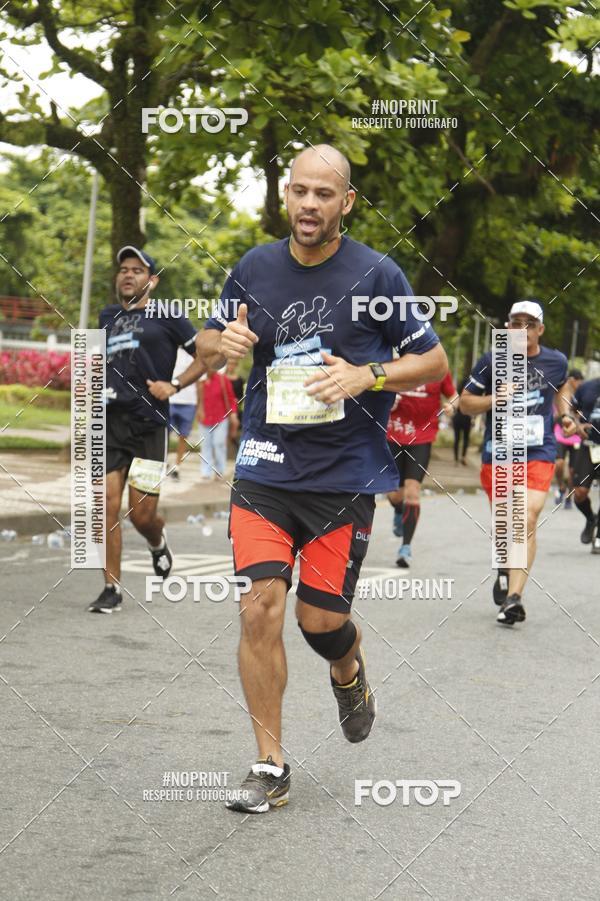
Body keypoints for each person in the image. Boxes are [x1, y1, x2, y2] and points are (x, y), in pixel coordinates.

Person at [198, 143, 448, 814]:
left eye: (323, 194)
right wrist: (221, 346)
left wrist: (366, 374)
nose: (309, 204)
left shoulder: (377, 274)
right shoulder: (254, 266)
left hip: (343, 474)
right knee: (260, 607)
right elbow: (207, 341)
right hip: (265, 468)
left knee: (319, 620)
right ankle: (269, 763)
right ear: (287, 195)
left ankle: (347, 666)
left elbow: (432, 360)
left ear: (346, 202)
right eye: (300, 191)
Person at [88, 245, 205, 614]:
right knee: (105, 505)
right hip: (111, 423)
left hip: (150, 425)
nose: (127, 274)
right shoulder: (106, 316)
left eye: (137, 270)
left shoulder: (169, 315)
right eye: (123, 269)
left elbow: (205, 354)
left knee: (140, 515)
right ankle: (112, 589)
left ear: (151, 281)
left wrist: (175, 385)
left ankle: (157, 541)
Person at [460, 300, 572, 625]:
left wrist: (563, 415)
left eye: (528, 323)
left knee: (526, 516)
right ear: (507, 327)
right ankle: (504, 566)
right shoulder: (491, 361)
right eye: (515, 322)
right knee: (506, 523)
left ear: (540, 330)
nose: (520, 328)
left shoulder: (556, 361)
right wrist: (497, 398)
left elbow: (561, 386)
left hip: (538, 451)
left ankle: (514, 598)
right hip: (499, 454)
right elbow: (466, 403)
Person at [386, 372, 457, 567]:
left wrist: (451, 406)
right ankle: (399, 510)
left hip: (422, 437)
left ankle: (405, 548)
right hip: (393, 434)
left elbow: (454, 395)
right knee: (394, 495)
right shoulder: (399, 365)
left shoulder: (438, 370)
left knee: (412, 491)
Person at [570, 375, 600, 551]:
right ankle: (590, 518)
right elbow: (571, 410)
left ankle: (599, 537)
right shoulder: (587, 387)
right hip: (589, 446)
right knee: (580, 492)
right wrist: (577, 425)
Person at [168, 347, 205, 480]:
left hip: (189, 403)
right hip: (171, 399)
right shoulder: (172, 351)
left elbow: (200, 384)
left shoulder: (197, 355)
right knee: (164, 434)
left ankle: (177, 467)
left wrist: (200, 406)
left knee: (183, 437)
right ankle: (163, 461)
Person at [197, 367, 239, 481]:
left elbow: (231, 398)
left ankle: (219, 471)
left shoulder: (222, 379)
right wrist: (198, 410)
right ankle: (206, 472)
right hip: (204, 418)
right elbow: (196, 399)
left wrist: (233, 414)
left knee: (218, 443)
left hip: (221, 417)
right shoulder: (200, 381)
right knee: (206, 445)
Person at [553, 368, 584, 508]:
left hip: (576, 437)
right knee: (559, 463)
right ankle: (560, 487)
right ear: (572, 380)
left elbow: (583, 415)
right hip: (560, 434)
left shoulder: (582, 395)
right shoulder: (559, 392)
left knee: (572, 471)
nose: (580, 384)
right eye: (579, 382)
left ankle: (569, 496)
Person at [452, 375, 472, 465]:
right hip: (466, 417)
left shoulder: (457, 396)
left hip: (457, 417)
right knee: (466, 438)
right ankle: (463, 457)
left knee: (457, 438)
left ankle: (456, 459)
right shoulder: (470, 396)